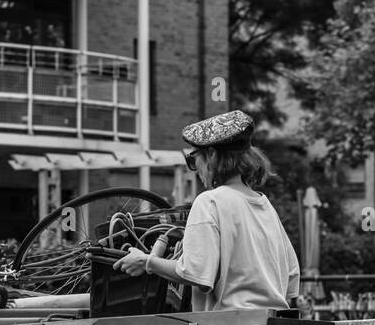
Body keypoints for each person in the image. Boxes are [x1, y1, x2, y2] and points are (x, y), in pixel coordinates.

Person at [114, 109, 300, 311]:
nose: (196, 168)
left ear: (211, 155)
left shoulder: (210, 201)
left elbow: (197, 273)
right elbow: (291, 276)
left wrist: (146, 261)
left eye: (193, 159)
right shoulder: (265, 205)